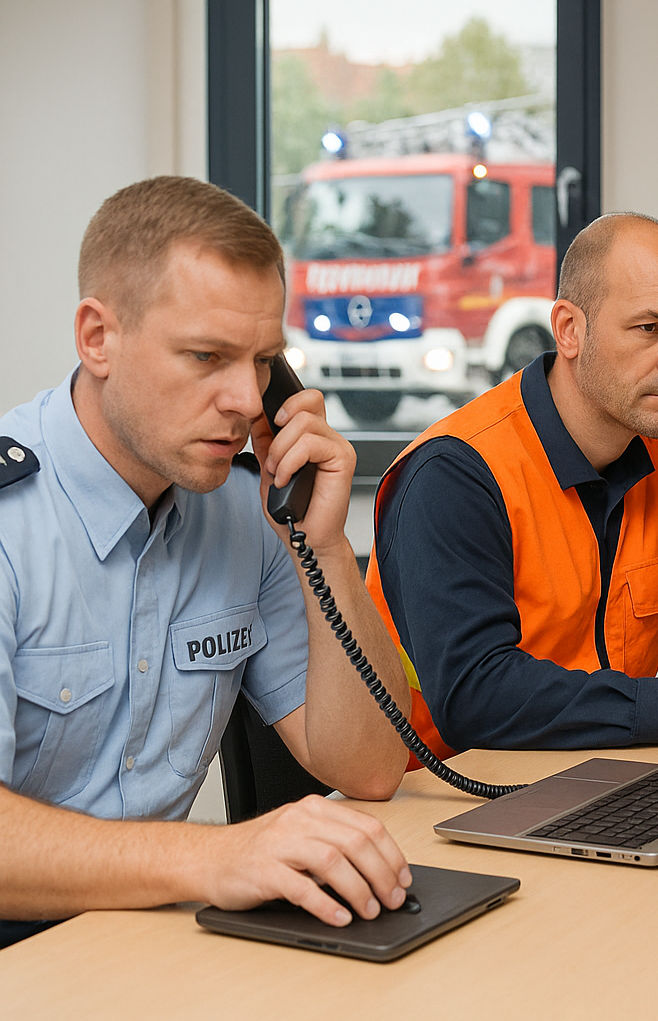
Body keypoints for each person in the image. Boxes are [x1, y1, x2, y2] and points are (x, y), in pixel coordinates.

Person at [0, 176, 415, 949]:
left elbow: (370, 768)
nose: (246, 401)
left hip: (145, 951)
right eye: (207, 356)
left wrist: (322, 547)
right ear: (97, 338)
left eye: (264, 362)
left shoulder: (248, 515)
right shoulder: (9, 527)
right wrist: (216, 856)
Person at [367, 212, 658, 759]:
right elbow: (475, 698)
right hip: (445, 792)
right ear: (570, 330)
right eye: (651, 328)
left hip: (600, 770)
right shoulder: (455, 474)